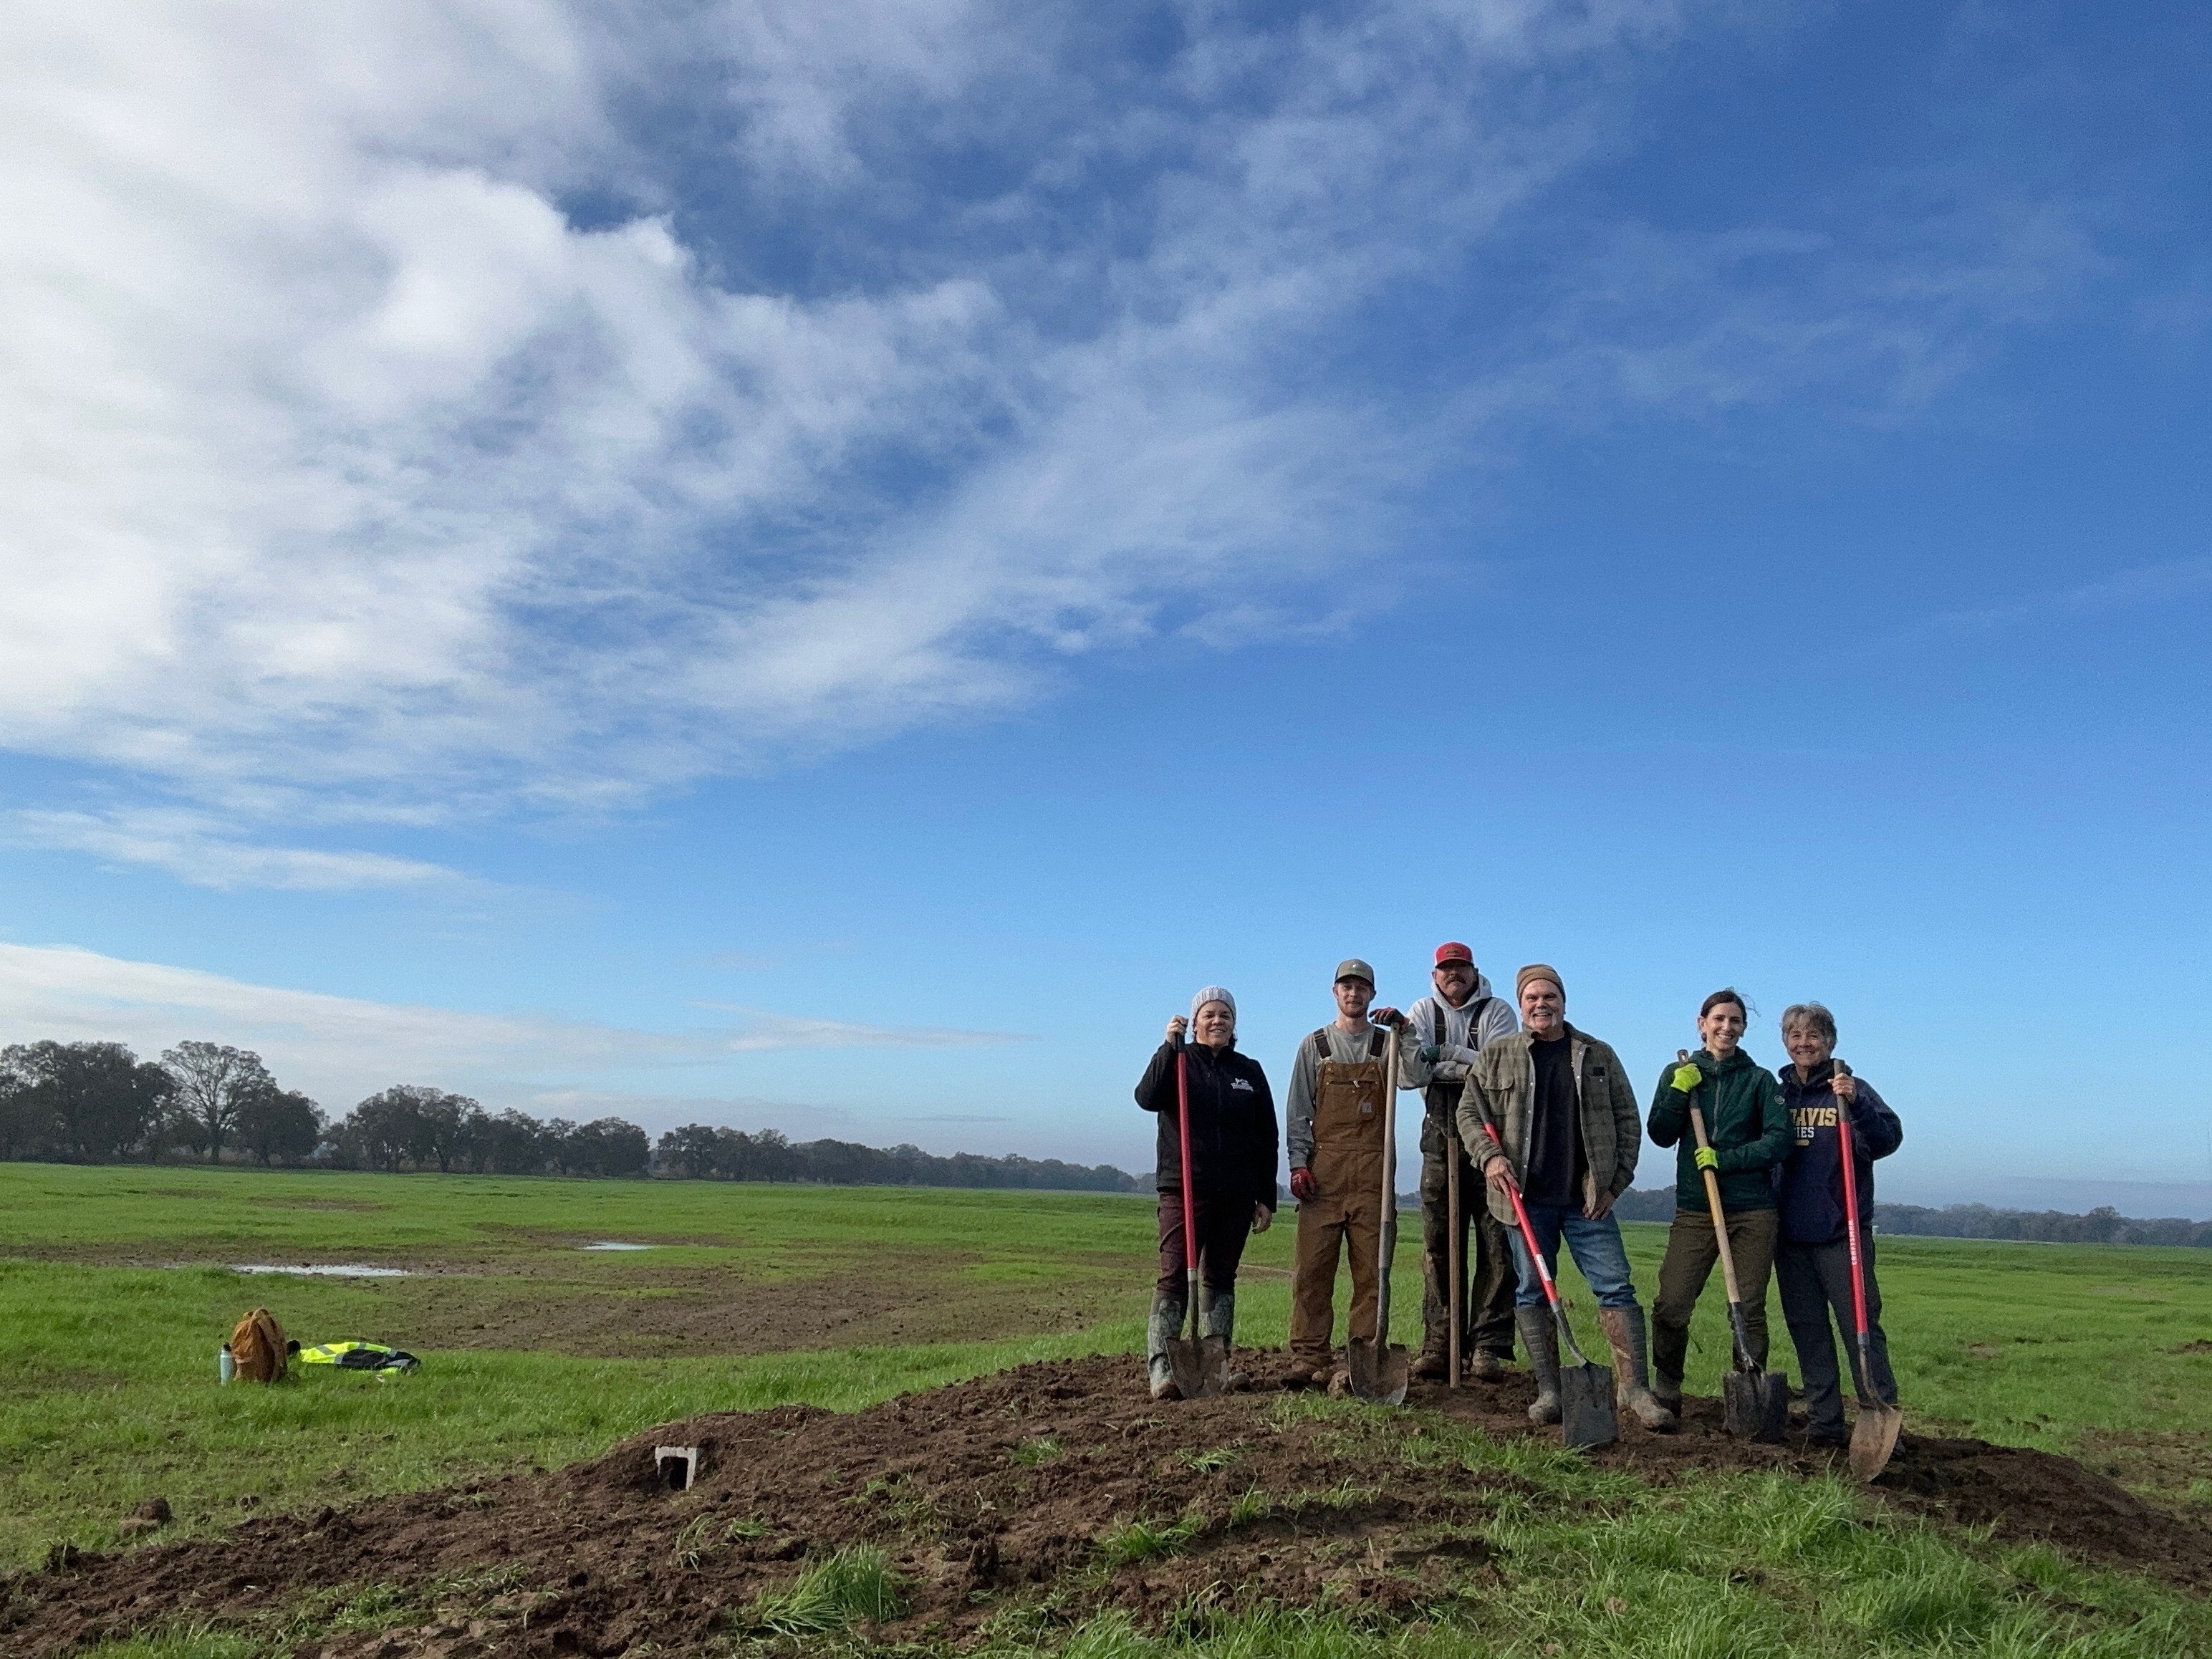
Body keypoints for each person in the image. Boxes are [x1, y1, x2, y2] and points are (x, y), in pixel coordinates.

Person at [1456, 965, 1675, 1429]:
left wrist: (1614, 1185)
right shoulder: (1497, 1056)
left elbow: (1628, 1122)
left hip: (1587, 1202)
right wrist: (1490, 1159)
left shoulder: (1597, 1055)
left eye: (1549, 996)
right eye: (1532, 998)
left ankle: (1635, 1391)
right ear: (1521, 1005)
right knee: (1532, 1289)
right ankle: (1551, 1391)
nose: (1542, 1004)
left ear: (1563, 1001)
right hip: (1524, 1201)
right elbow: (1469, 1114)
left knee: (1616, 1285)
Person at [1645, 987, 1793, 1412]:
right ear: (1702, 1024)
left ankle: (1748, 1396)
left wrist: (1725, 1160)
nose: (1727, 1027)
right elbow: (1660, 1134)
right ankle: (1667, 1388)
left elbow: (1780, 1140)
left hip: (1752, 1211)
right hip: (1696, 1209)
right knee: (1672, 1303)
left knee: (1748, 1308)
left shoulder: (1759, 1081)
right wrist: (1678, 1092)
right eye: (1719, 1019)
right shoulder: (1679, 1072)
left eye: (1735, 1021)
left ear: (1743, 1029)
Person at [1134, 986, 1279, 1400]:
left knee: (1220, 1277)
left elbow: (1266, 1136)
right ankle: (1162, 1370)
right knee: (1174, 1275)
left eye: (1225, 1015)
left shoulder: (1249, 1071)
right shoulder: (1178, 1061)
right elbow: (1146, 1098)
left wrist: (1265, 1196)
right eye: (1209, 1014)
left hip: (1236, 1193)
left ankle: (1216, 1367)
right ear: (1195, 1021)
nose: (1218, 1021)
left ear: (1234, 1023)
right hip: (1184, 1187)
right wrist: (1168, 1047)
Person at [1774, 1001, 1903, 1446]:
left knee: (1861, 1329)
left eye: (1813, 1035)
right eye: (1795, 1035)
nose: (1804, 1043)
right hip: (1791, 1238)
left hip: (1842, 1234)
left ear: (1829, 1042)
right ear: (1785, 1042)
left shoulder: (1850, 1089)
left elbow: (1888, 1140)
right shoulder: (1780, 1095)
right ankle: (1824, 1424)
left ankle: (1881, 1419)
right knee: (1808, 1332)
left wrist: (1855, 1103)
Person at [1396, 941, 1519, 1380]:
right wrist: (1466, 1063)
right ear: (1435, 975)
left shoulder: (1498, 1012)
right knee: (1438, 1244)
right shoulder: (1422, 1011)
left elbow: (1498, 1071)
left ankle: (1488, 1345)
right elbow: (1410, 1075)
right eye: (1446, 968)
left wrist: (1446, 1055)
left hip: (1493, 1137)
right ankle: (1440, 1343)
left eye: (1461, 967)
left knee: (1496, 1244)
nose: (1454, 974)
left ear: (1474, 971)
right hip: (1439, 1134)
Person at [1284, 959, 1403, 1388]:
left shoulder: (1388, 1044)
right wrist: (1298, 1163)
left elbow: (1415, 1077)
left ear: (1372, 994)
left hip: (1373, 1176)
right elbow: (1298, 1111)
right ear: (1335, 992)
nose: (1354, 994)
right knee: (1313, 1271)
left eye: (1362, 988)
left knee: (1371, 1273)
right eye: (1346, 986)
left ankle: (1362, 1359)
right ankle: (1308, 1356)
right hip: (1324, 1176)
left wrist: (1406, 1033)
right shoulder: (1314, 1046)